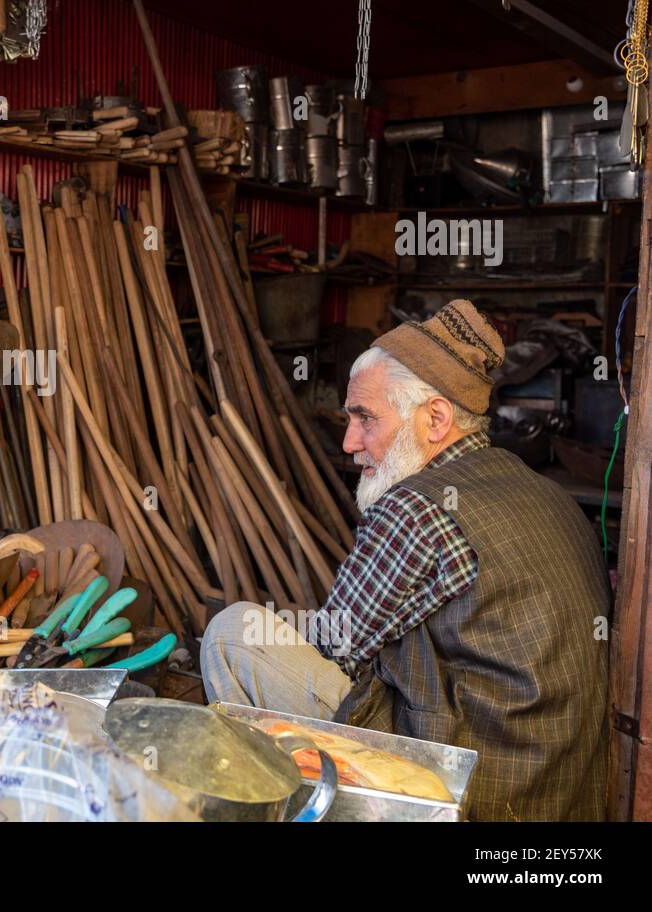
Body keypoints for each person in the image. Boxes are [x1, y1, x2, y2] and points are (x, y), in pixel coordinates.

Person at [200, 300, 610, 820]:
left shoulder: (416, 507)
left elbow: (334, 649)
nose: (350, 442)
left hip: (466, 789)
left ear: (436, 418)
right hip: (556, 788)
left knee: (235, 632)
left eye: (365, 418)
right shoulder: (544, 491)